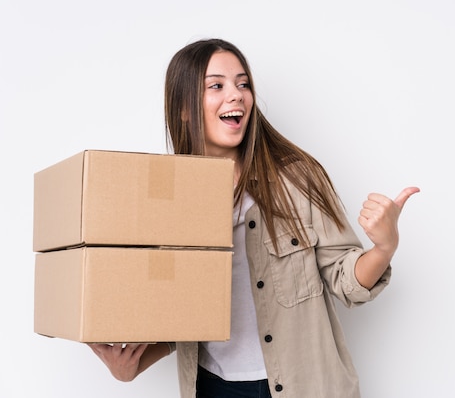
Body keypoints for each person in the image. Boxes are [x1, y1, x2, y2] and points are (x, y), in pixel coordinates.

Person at [88, 38, 419, 398]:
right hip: (212, 387)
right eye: (216, 85)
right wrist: (128, 368)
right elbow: (180, 314)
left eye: (243, 84)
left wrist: (384, 247)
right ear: (184, 108)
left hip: (302, 386)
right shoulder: (170, 199)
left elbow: (345, 281)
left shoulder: (298, 179)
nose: (236, 95)